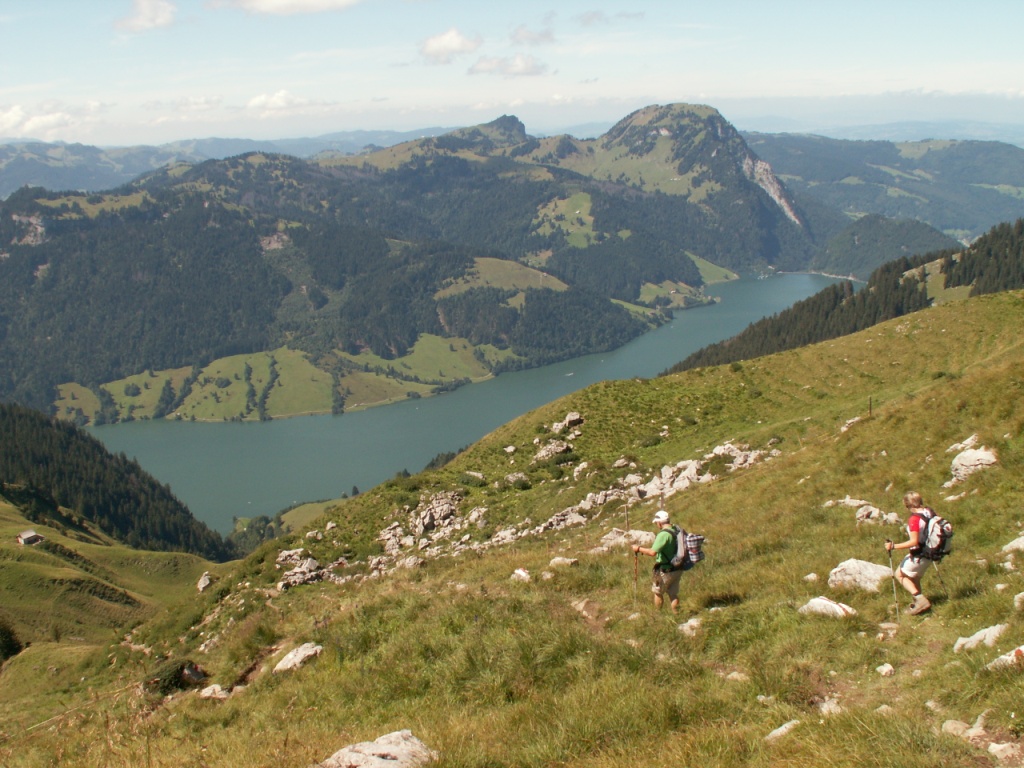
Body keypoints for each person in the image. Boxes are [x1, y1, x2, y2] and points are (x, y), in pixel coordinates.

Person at [885, 491, 933, 615]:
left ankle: (921, 600)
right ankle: (919, 606)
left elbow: (914, 541)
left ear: (907, 505)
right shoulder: (929, 512)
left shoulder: (914, 519)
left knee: (899, 574)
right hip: (931, 552)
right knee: (914, 578)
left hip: (919, 554)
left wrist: (893, 546)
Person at [632, 509, 690, 613]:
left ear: (659, 523)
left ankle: (658, 614)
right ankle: (677, 614)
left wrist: (638, 549)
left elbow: (652, 552)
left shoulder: (663, 535)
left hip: (666, 569)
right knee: (673, 593)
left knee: (658, 592)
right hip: (678, 566)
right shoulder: (676, 529)